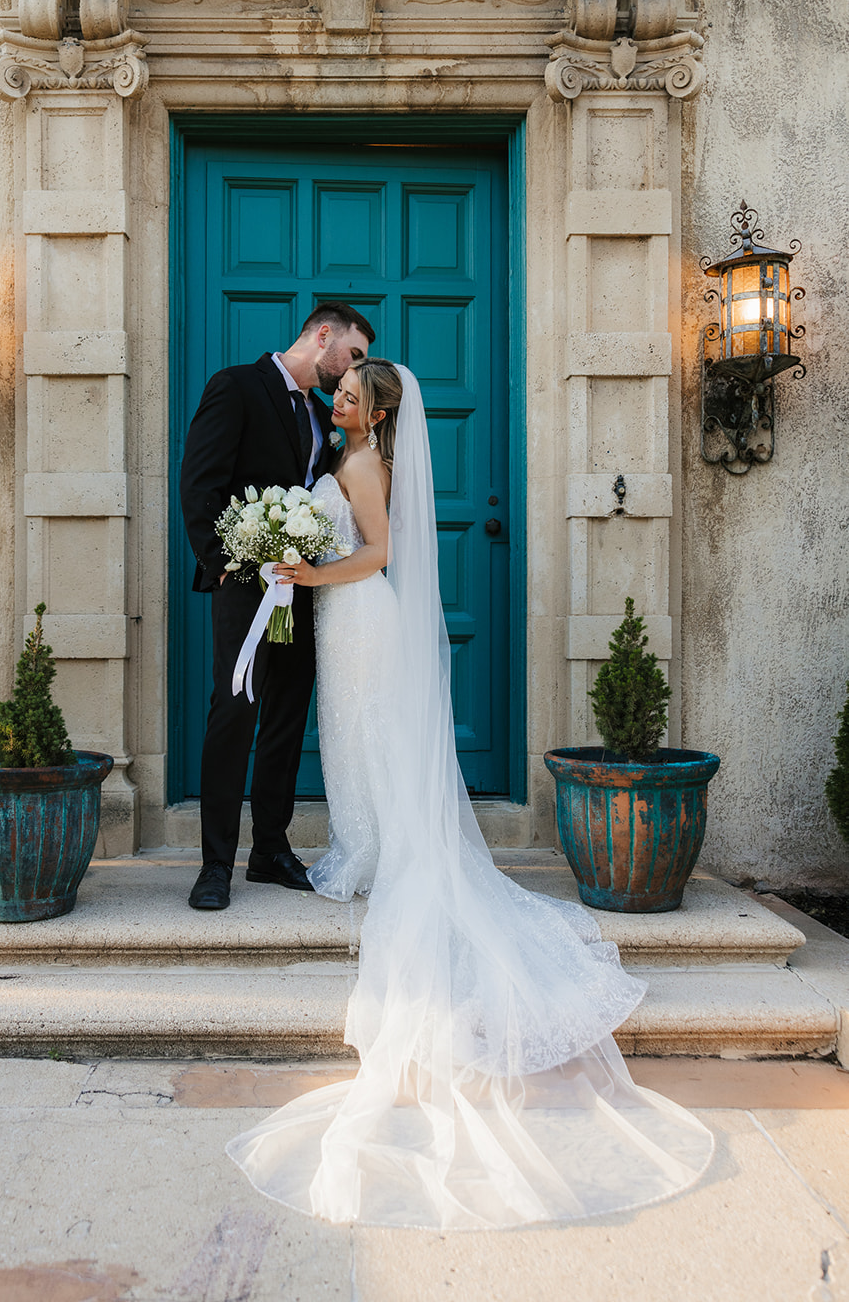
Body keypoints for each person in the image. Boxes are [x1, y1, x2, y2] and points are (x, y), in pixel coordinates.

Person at [226, 360, 714, 1229]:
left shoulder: (364, 467)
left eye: (346, 397)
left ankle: (381, 847)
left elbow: (373, 553)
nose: (333, 399)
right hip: (344, 623)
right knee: (350, 742)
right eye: (335, 393)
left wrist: (308, 575)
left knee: (368, 738)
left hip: (359, 614)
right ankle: (365, 842)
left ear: (374, 418)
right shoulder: (347, 455)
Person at [179, 302, 375, 912]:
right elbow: (200, 482)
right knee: (233, 712)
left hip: (303, 590)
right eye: (355, 355)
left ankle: (270, 848)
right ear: (324, 335)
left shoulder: (322, 415)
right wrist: (230, 561)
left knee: (288, 717)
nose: (355, 372)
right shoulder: (236, 386)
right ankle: (216, 864)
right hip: (245, 587)